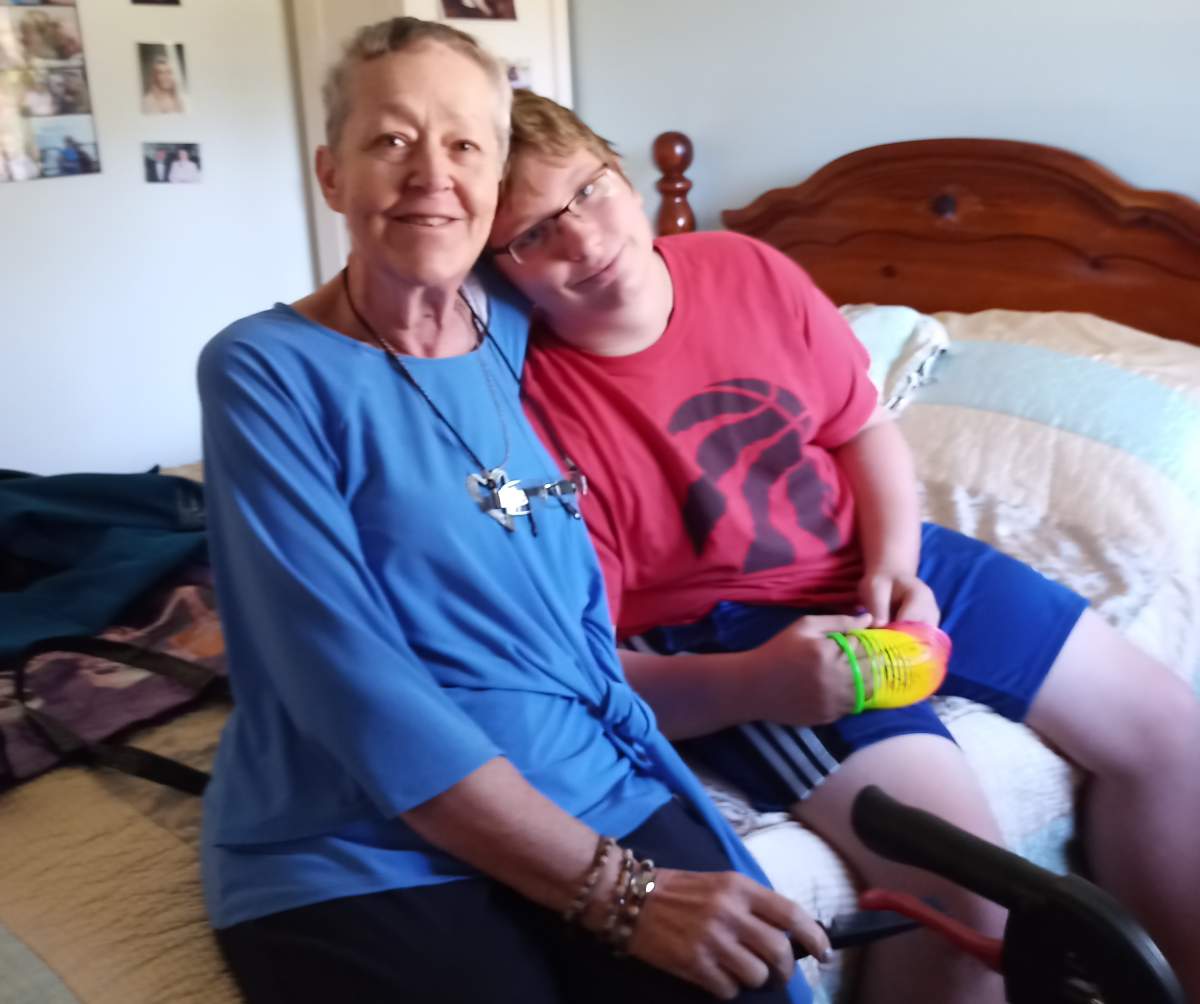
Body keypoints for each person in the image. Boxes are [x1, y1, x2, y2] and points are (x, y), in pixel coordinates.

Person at [490, 90, 1200, 1004]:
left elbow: (862, 429)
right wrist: (756, 683)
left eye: (587, 193)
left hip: (892, 551)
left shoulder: (746, 267)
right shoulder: (524, 407)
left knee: (1172, 733)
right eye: (532, 234)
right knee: (973, 894)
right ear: (498, 267)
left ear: (620, 174)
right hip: (732, 626)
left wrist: (896, 560)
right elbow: (586, 673)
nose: (581, 240)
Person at [197, 18, 828, 1004]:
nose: (430, 175)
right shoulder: (266, 369)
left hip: (591, 779)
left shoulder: (515, 322)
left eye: (463, 144)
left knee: (751, 982)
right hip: (358, 840)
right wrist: (622, 894)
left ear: (493, 185)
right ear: (332, 175)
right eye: (390, 140)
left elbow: (631, 269)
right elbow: (353, 687)